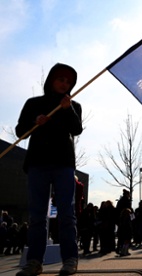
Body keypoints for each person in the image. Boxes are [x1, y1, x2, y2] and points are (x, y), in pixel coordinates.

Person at [15, 63, 82, 276]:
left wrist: (67, 108)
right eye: (61, 79)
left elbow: (77, 129)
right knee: (36, 216)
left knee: (66, 214)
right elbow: (20, 132)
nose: (65, 84)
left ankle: (70, 259)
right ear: (51, 79)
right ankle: (34, 262)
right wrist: (34, 122)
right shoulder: (34, 103)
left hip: (63, 164)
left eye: (68, 82)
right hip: (37, 164)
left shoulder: (72, 105)